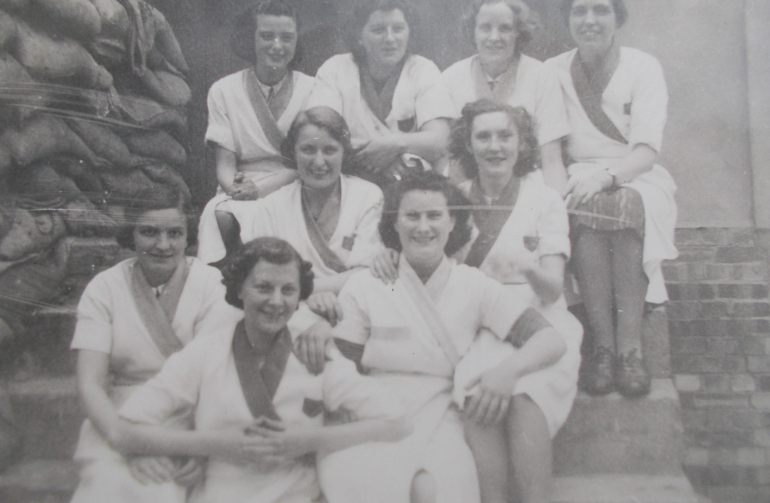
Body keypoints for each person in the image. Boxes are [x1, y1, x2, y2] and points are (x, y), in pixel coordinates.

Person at [371, 100, 583, 503]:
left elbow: (554, 288)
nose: (495, 146)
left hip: (541, 322)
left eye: (505, 135)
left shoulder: (546, 199)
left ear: (523, 144)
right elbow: (423, 249)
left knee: (524, 397)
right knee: (477, 397)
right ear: (468, 144)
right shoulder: (453, 196)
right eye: (482, 136)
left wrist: (527, 268)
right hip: (477, 324)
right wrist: (388, 255)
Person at [323, 172, 567, 503]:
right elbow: (340, 364)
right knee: (369, 483)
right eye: (412, 216)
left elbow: (550, 340)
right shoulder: (366, 285)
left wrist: (506, 371)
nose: (423, 227)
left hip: (442, 416)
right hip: (372, 411)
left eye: (434, 215)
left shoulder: (473, 285)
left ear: (452, 222)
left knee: (442, 487)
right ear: (394, 224)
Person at [113, 237, 411, 503]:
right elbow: (127, 425)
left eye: (289, 290)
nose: (276, 301)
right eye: (263, 288)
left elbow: (398, 420)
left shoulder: (313, 353)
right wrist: (215, 444)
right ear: (240, 289)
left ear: (300, 297)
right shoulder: (206, 352)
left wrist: (309, 441)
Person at [544, 0, 678, 396]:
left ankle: (630, 349)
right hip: (580, 174)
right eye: (579, 11)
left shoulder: (643, 67)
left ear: (617, 16)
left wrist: (610, 177)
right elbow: (551, 149)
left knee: (625, 203)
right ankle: (602, 348)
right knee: (586, 204)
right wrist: (560, 193)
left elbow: (645, 151)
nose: (590, 20)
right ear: (567, 19)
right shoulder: (553, 71)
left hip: (636, 173)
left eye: (601, 10)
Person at [69, 186, 243, 503]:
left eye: (175, 233)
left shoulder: (211, 286)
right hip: (118, 420)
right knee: (110, 484)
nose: (163, 245)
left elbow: (215, 382)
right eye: (149, 232)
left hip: (190, 418)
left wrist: (200, 448)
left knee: (165, 489)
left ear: (187, 235)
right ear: (131, 234)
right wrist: (127, 441)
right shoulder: (104, 288)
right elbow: (90, 383)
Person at [216, 106, 383, 324]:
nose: (319, 162)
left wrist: (306, 290)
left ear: (344, 151)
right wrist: (308, 300)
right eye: (308, 149)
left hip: (351, 310)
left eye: (330, 150)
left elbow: (366, 274)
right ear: (293, 151)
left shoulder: (367, 196)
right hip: (289, 313)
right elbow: (263, 278)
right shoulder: (272, 207)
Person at [198, 0, 314, 264]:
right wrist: (236, 189)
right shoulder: (223, 90)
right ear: (251, 38)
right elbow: (225, 163)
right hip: (240, 183)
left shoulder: (314, 89)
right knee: (222, 216)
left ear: (297, 41)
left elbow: (305, 164)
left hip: (293, 181)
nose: (277, 46)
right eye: (266, 36)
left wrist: (260, 192)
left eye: (287, 38)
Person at [416, 0, 570, 189]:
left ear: (518, 32)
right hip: (467, 187)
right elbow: (445, 157)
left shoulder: (542, 76)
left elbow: (552, 160)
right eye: (485, 28)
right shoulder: (451, 77)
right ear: (473, 32)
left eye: (505, 28)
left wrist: (555, 209)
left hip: (527, 187)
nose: (494, 37)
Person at [307, 0, 445, 185]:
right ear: (359, 36)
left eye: (398, 29)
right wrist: (380, 159)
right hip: (349, 179)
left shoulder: (423, 70)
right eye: (378, 30)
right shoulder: (335, 69)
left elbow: (439, 140)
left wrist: (393, 146)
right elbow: (320, 134)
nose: (390, 38)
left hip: (410, 181)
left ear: (409, 32)